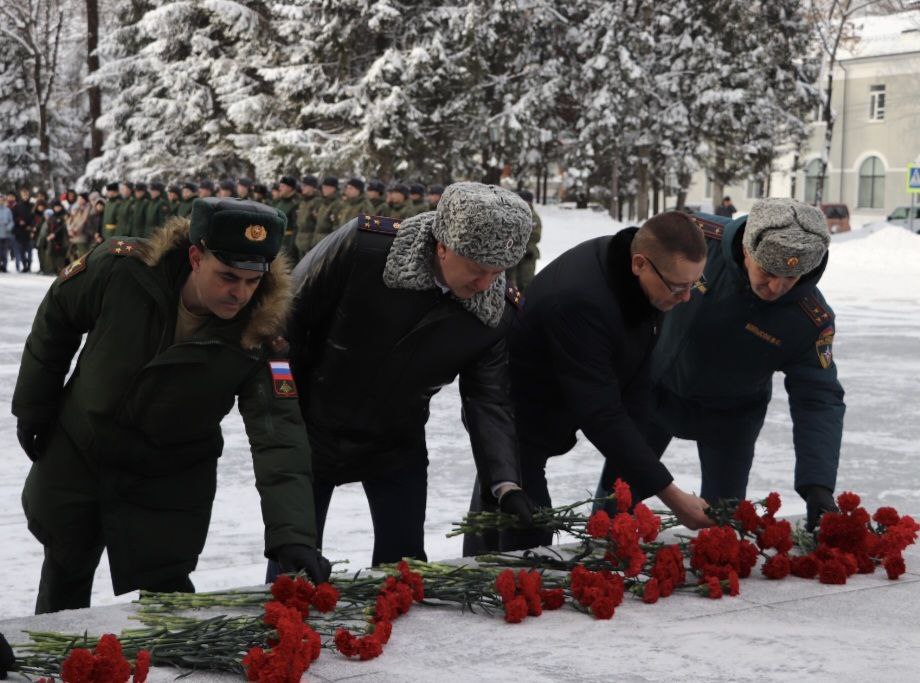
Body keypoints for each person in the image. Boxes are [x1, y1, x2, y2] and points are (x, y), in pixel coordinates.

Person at [12, 198, 330, 614]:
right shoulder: (123, 270)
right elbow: (56, 319)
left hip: (171, 475)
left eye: (253, 281)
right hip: (82, 452)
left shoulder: (259, 333)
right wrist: (34, 404)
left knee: (169, 599)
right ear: (196, 257)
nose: (240, 293)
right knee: (65, 573)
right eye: (228, 277)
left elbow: (278, 433)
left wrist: (293, 534)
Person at [269, 182, 536, 577]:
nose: (486, 284)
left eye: (497, 272)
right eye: (478, 269)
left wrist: (505, 483)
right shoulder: (365, 248)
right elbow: (283, 326)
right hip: (311, 430)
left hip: (395, 444)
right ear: (442, 246)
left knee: (404, 570)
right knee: (292, 569)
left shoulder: (493, 312)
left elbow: (488, 400)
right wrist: (282, 409)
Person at [469, 211, 712, 554]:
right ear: (639, 263)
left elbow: (637, 384)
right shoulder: (581, 301)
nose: (686, 297)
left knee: (527, 536)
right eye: (678, 287)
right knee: (524, 531)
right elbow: (601, 411)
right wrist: (670, 495)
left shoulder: (647, 280)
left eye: (694, 285)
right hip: (516, 414)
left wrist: (633, 482)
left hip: (563, 402)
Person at [618, 198, 845, 530]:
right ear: (747, 249)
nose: (778, 287)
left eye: (791, 277)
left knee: (722, 530)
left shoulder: (809, 319)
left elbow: (818, 398)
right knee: (614, 506)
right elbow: (629, 280)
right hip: (653, 394)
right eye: (768, 272)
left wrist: (818, 487)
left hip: (730, 418)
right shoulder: (695, 240)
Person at [504, 189, 542, 291]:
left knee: (525, 284)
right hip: (511, 254)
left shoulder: (533, 217)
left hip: (527, 255)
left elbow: (536, 236)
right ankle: (510, 305)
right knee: (508, 284)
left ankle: (524, 306)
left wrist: (519, 237)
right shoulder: (511, 214)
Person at [293, 175, 322, 257]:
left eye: (305, 185)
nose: (302, 187)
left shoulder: (318, 202)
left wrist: (313, 243)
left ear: (312, 187)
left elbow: (318, 225)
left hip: (311, 243)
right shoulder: (303, 202)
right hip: (300, 242)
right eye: (302, 185)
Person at [273, 176, 300, 256]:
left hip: (287, 243)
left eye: (282, 186)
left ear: (289, 188)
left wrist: (291, 248)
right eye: (280, 186)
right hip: (276, 241)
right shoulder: (280, 202)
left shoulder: (295, 204)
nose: (280, 188)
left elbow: (296, 227)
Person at [0, 194, 12, 272]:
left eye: (2, 200)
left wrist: (8, 227)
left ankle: (4, 266)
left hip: (5, 234)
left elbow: (11, 221)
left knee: (4, 252)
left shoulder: (7, 210)